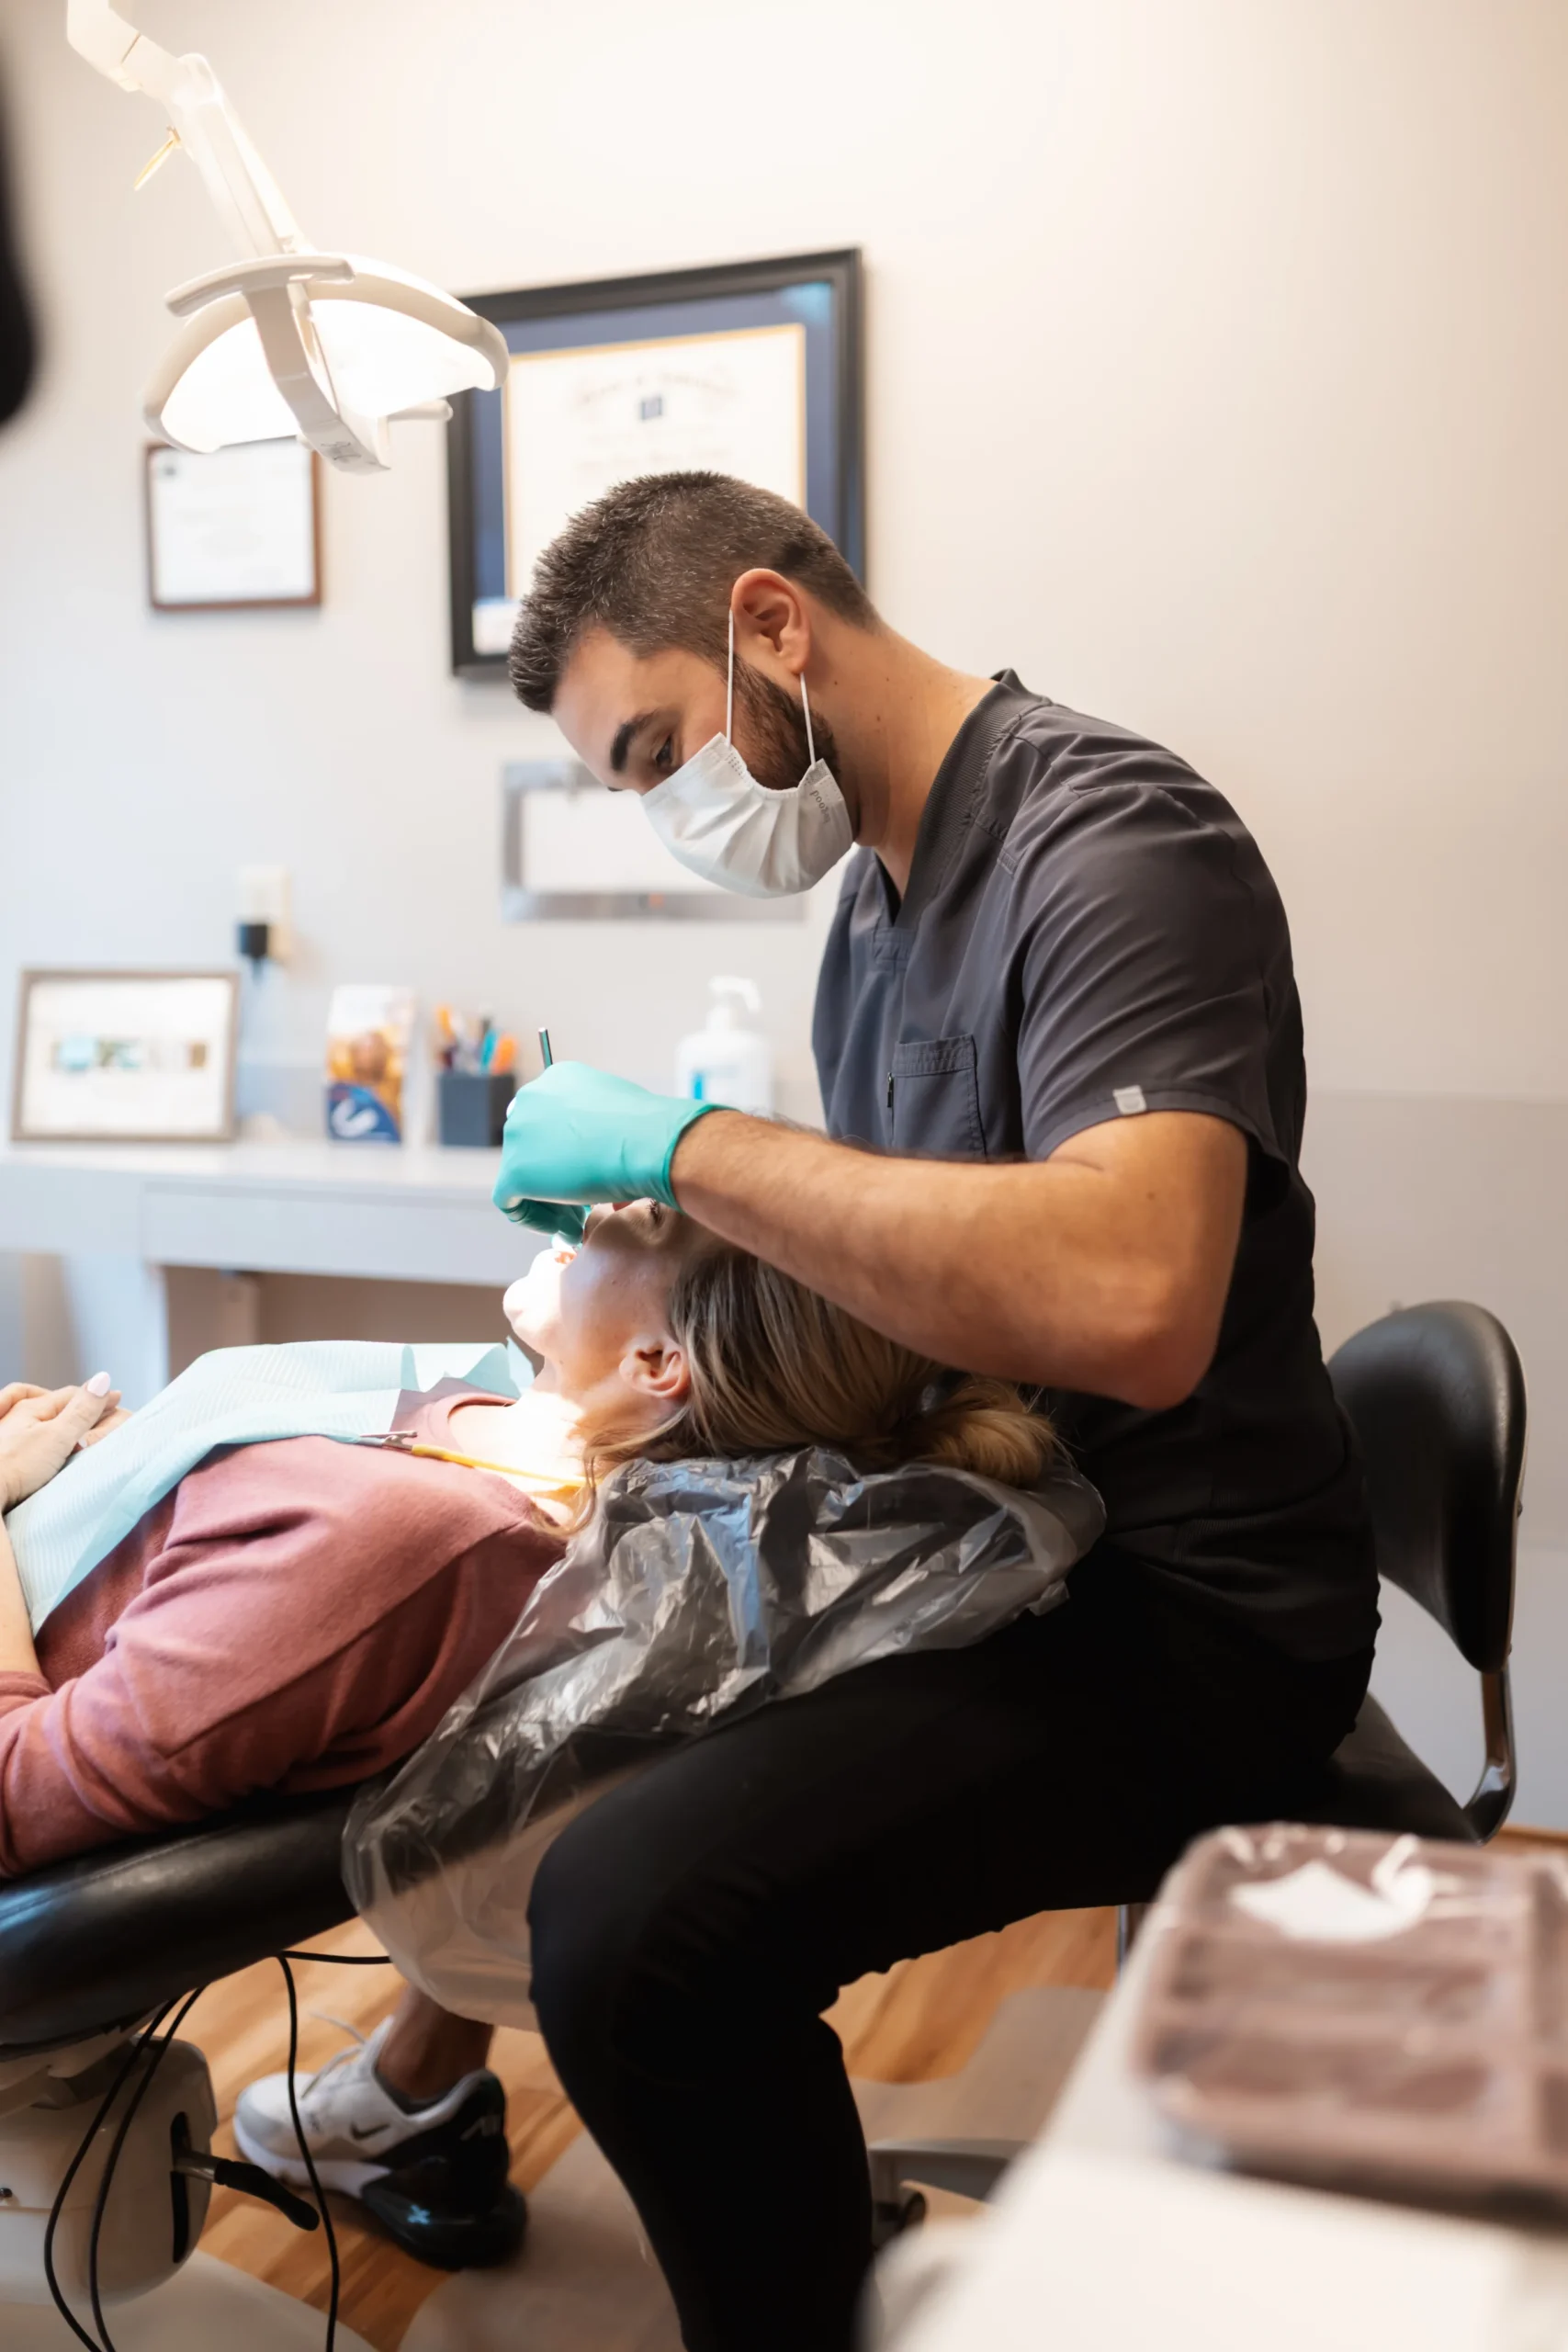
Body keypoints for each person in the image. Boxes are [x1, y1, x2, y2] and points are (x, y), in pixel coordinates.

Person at [471, 469, 1380, 2351]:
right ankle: (424, 2099)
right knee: (554, 1711)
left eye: (654, 750)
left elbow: (1129, 1299)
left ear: (769, 628)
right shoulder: (871, 917)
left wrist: (697, 1144)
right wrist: (670, 1284)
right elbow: (918, 1290)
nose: (664, 817)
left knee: (632, 1927)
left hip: (1182, 1612)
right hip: (1007, 1541)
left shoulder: (1110, 840)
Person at [2, 1199, 1058, 2262]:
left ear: (658, 1362)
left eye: (639, 1220)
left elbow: (16, 1799)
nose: (591, 1208)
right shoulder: (480, 1414)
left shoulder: (396, 1546)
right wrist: (94, 1460)